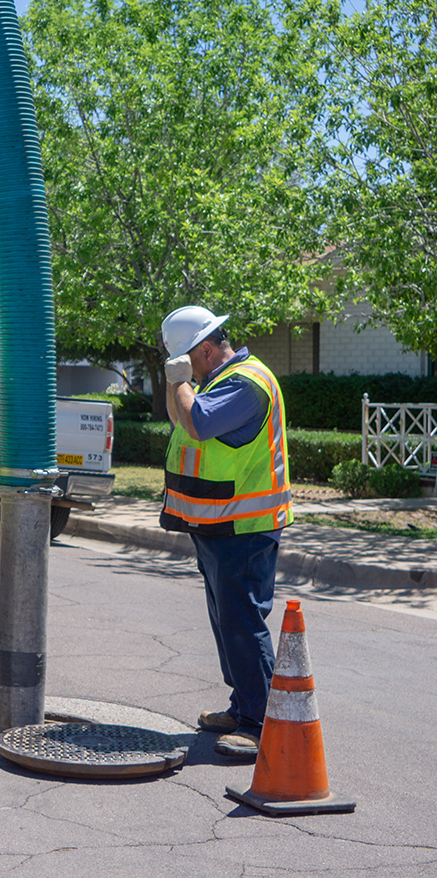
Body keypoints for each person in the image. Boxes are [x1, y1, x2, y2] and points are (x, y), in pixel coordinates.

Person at [158, 305, 294, 759]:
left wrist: (179, 382)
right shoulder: (217, 381)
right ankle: (243, 707)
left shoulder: (245, 382)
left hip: (245, 525)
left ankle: (261, 724)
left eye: (185, 358)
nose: (183, 368)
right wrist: (179, 382)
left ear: (205, 348)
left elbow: (195, 423)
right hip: (220, 523)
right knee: (227, 623)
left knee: (242, 623)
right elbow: (182, 419)